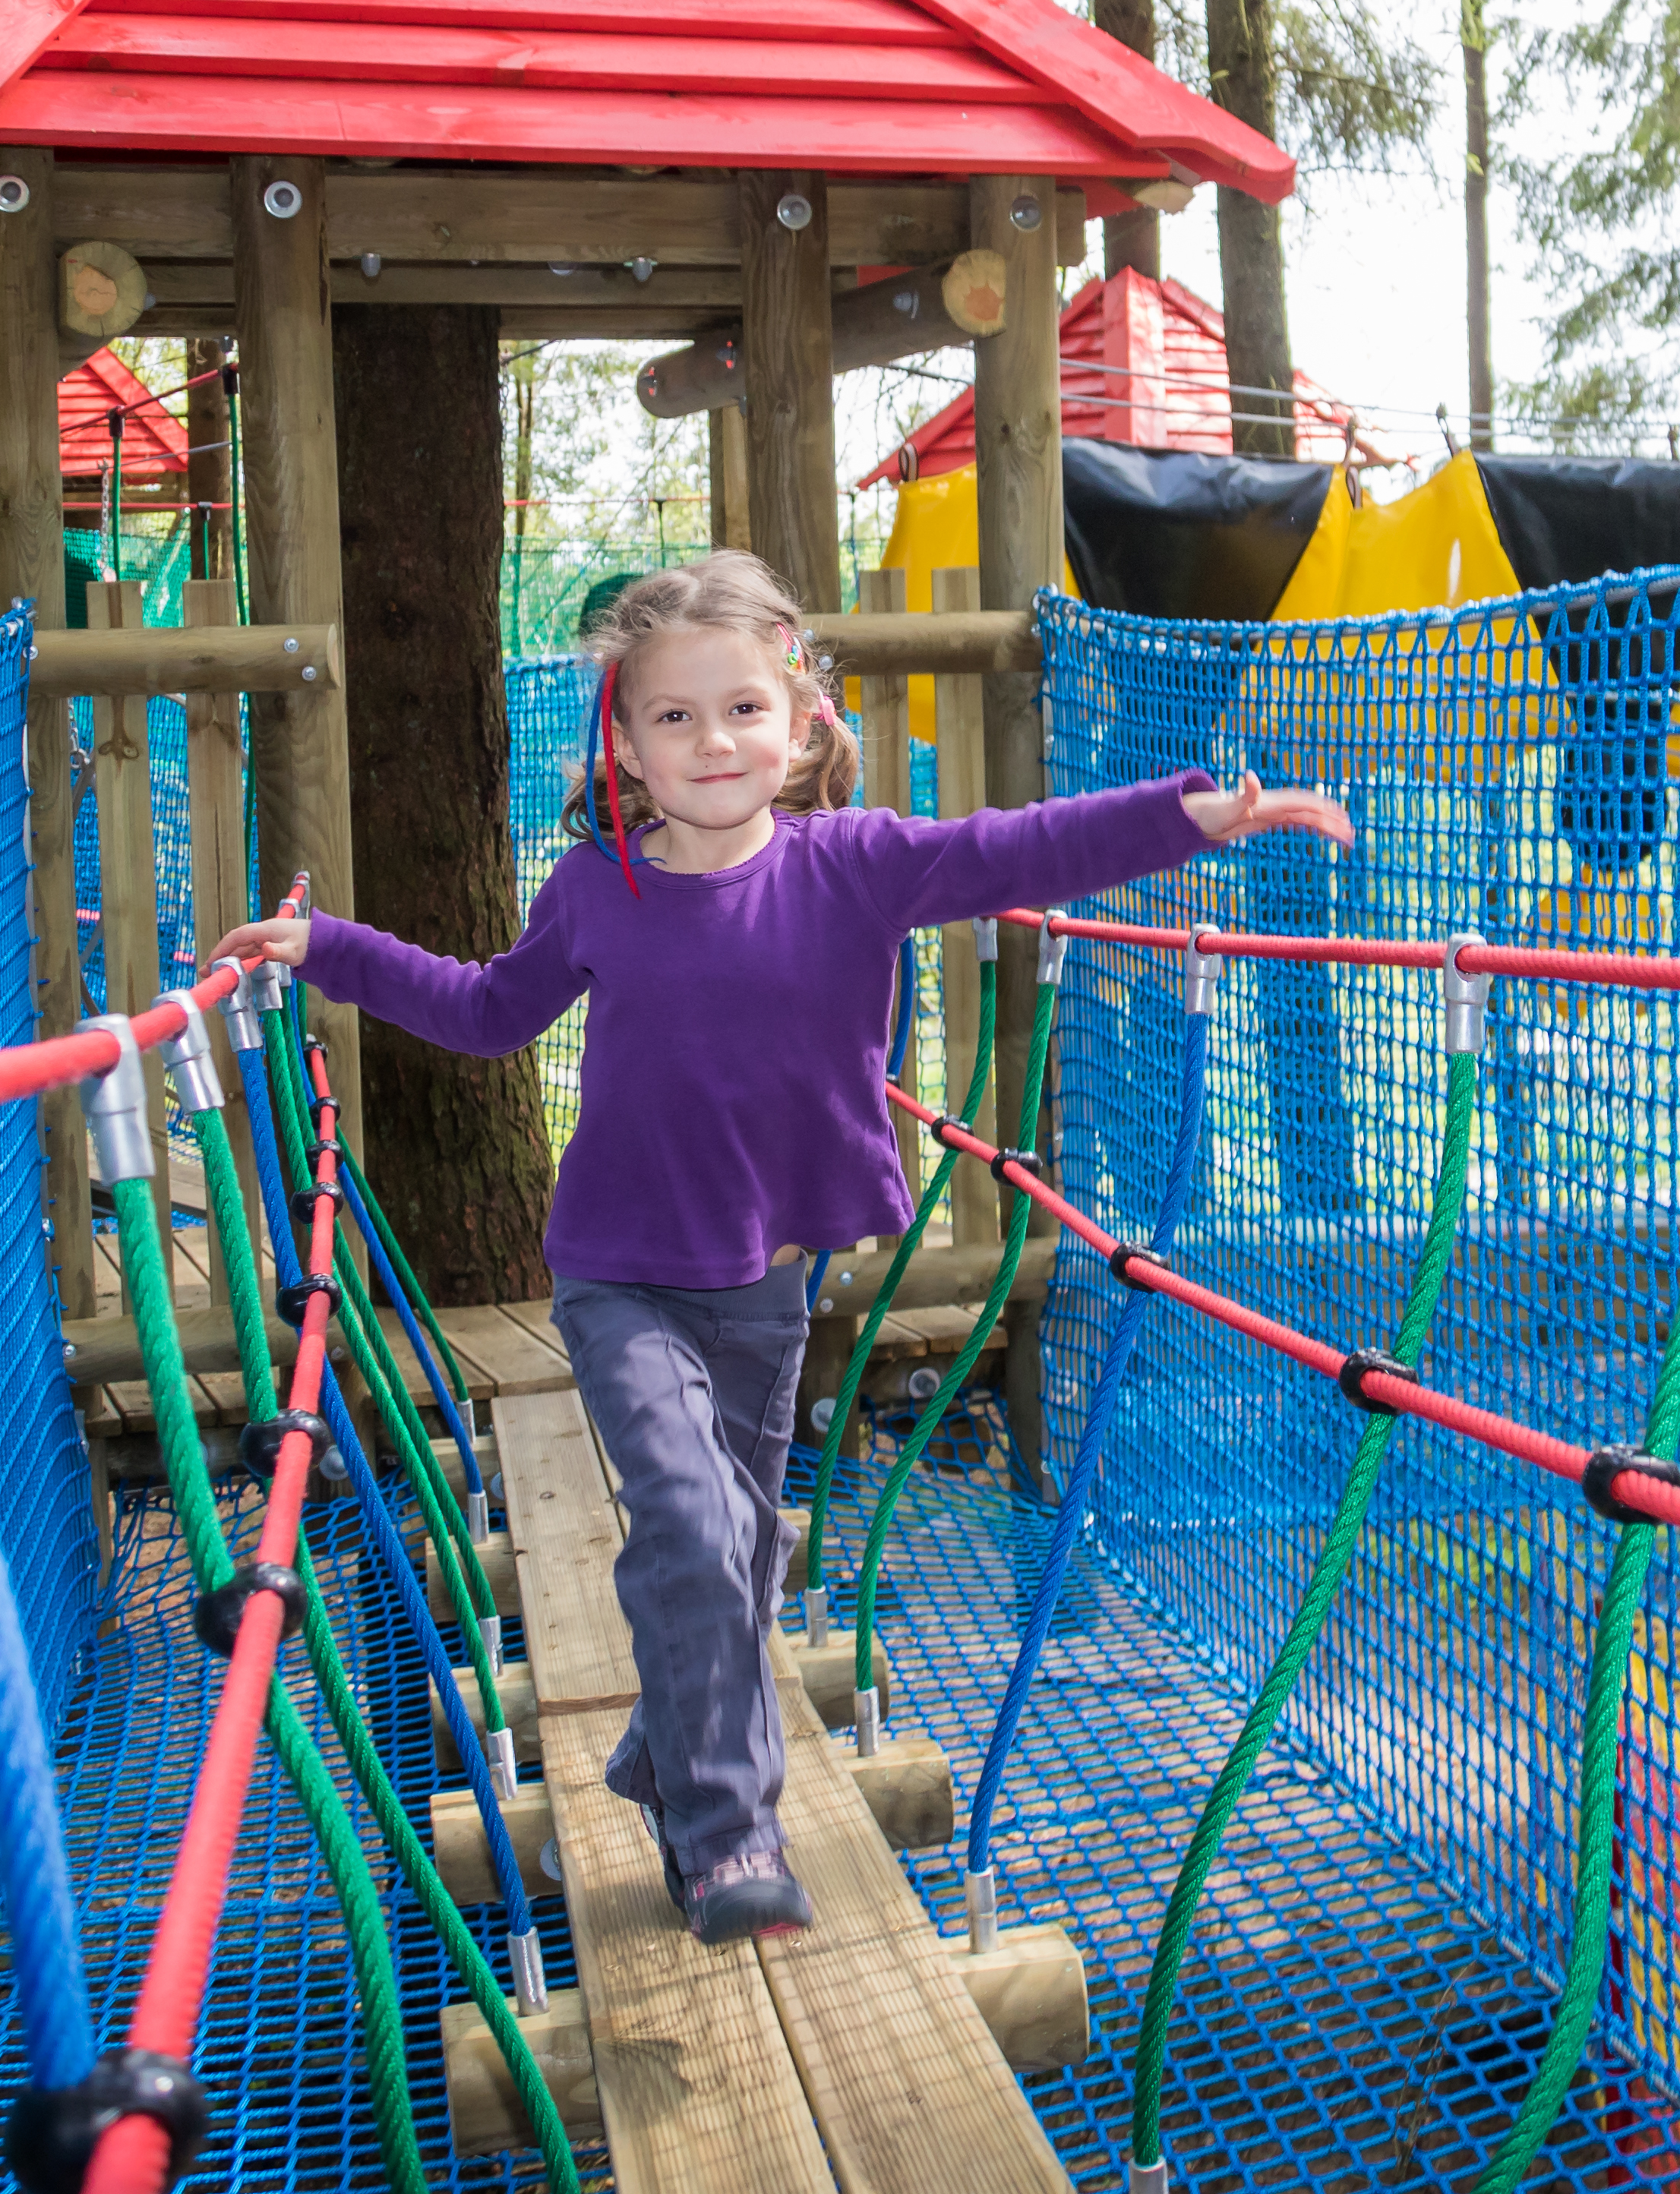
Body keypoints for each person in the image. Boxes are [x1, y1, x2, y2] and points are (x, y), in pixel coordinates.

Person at [207, 550, 1351, 1943]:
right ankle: (726, 1833)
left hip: (767, 1275)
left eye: (742, 709)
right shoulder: (597, 886)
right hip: (619, 1269)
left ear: (802, 716)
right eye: (673, 719)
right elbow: (488, 1009)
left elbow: (1017, 848)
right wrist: (327, 948)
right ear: (622, 741)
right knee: (692, 1522)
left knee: (743, 1552)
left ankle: (661, 1752)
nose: (712, 743)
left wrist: (1192, 816)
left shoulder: (856, 868)